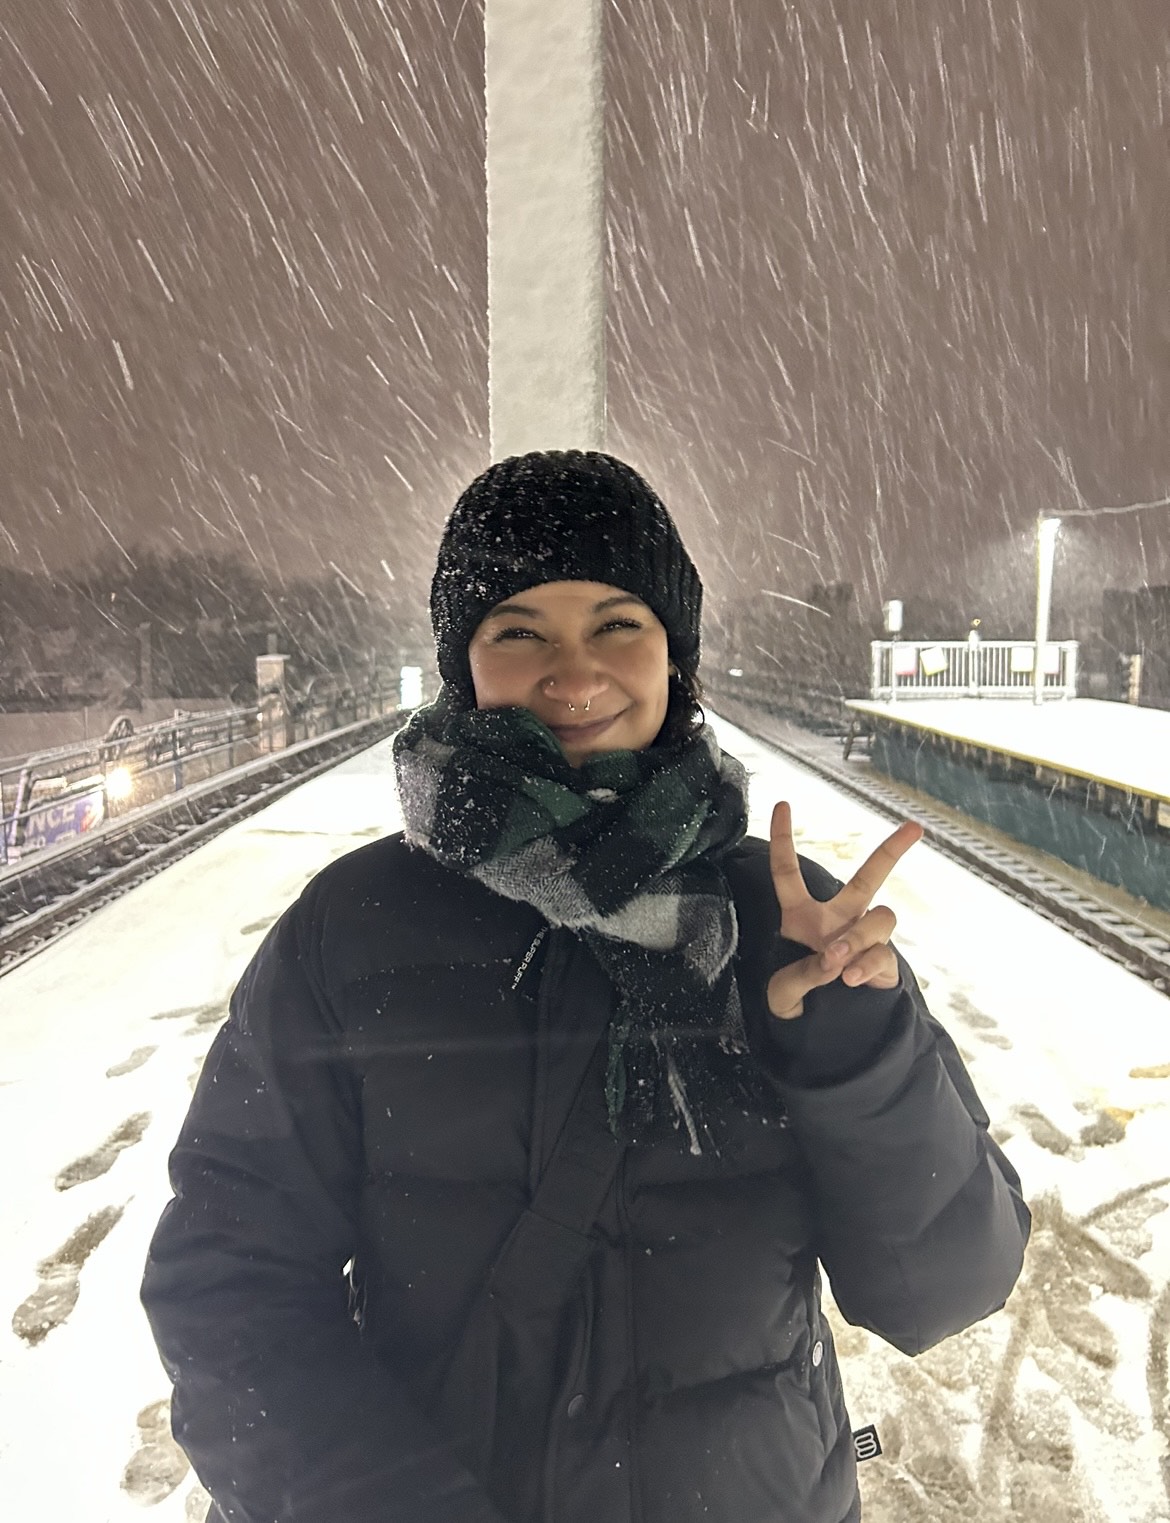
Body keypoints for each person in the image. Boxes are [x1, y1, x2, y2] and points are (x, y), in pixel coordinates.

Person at [142, 450, 1030, 1523]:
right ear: (462, 664)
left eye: (619, 622)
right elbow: (229, 1278)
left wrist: (856, 1048)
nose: (574, 673)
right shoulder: (353, 927)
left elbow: (946, 1284)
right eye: (518, 630)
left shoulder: (784, 924)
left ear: (677, 659)